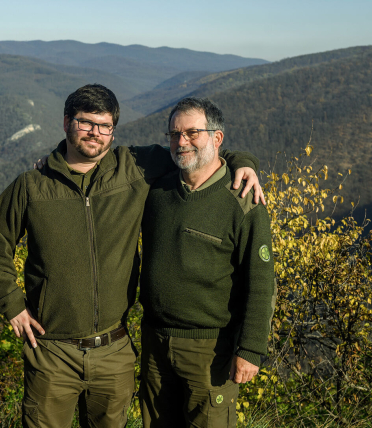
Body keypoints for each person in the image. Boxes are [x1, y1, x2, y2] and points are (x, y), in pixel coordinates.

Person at [0, 84, 264, 428]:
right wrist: (11, 304)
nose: (95, 134)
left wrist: (242, 163)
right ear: (67, 122)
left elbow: (196, 153)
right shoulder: (32, 186)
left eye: (105, 126)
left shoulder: (133, 168)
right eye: (85, 123)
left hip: (114, 350)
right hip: (51, 350)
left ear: (114, 130)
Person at [139, 97, 276, 428]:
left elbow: (260, 282)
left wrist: (251, 349)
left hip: (211, 350)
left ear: (217, 138)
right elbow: (101, 159)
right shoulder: (156, 190)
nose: (181, 141)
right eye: (174, 134)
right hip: (155, 343)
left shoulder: (242, 201)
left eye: (191, 132)